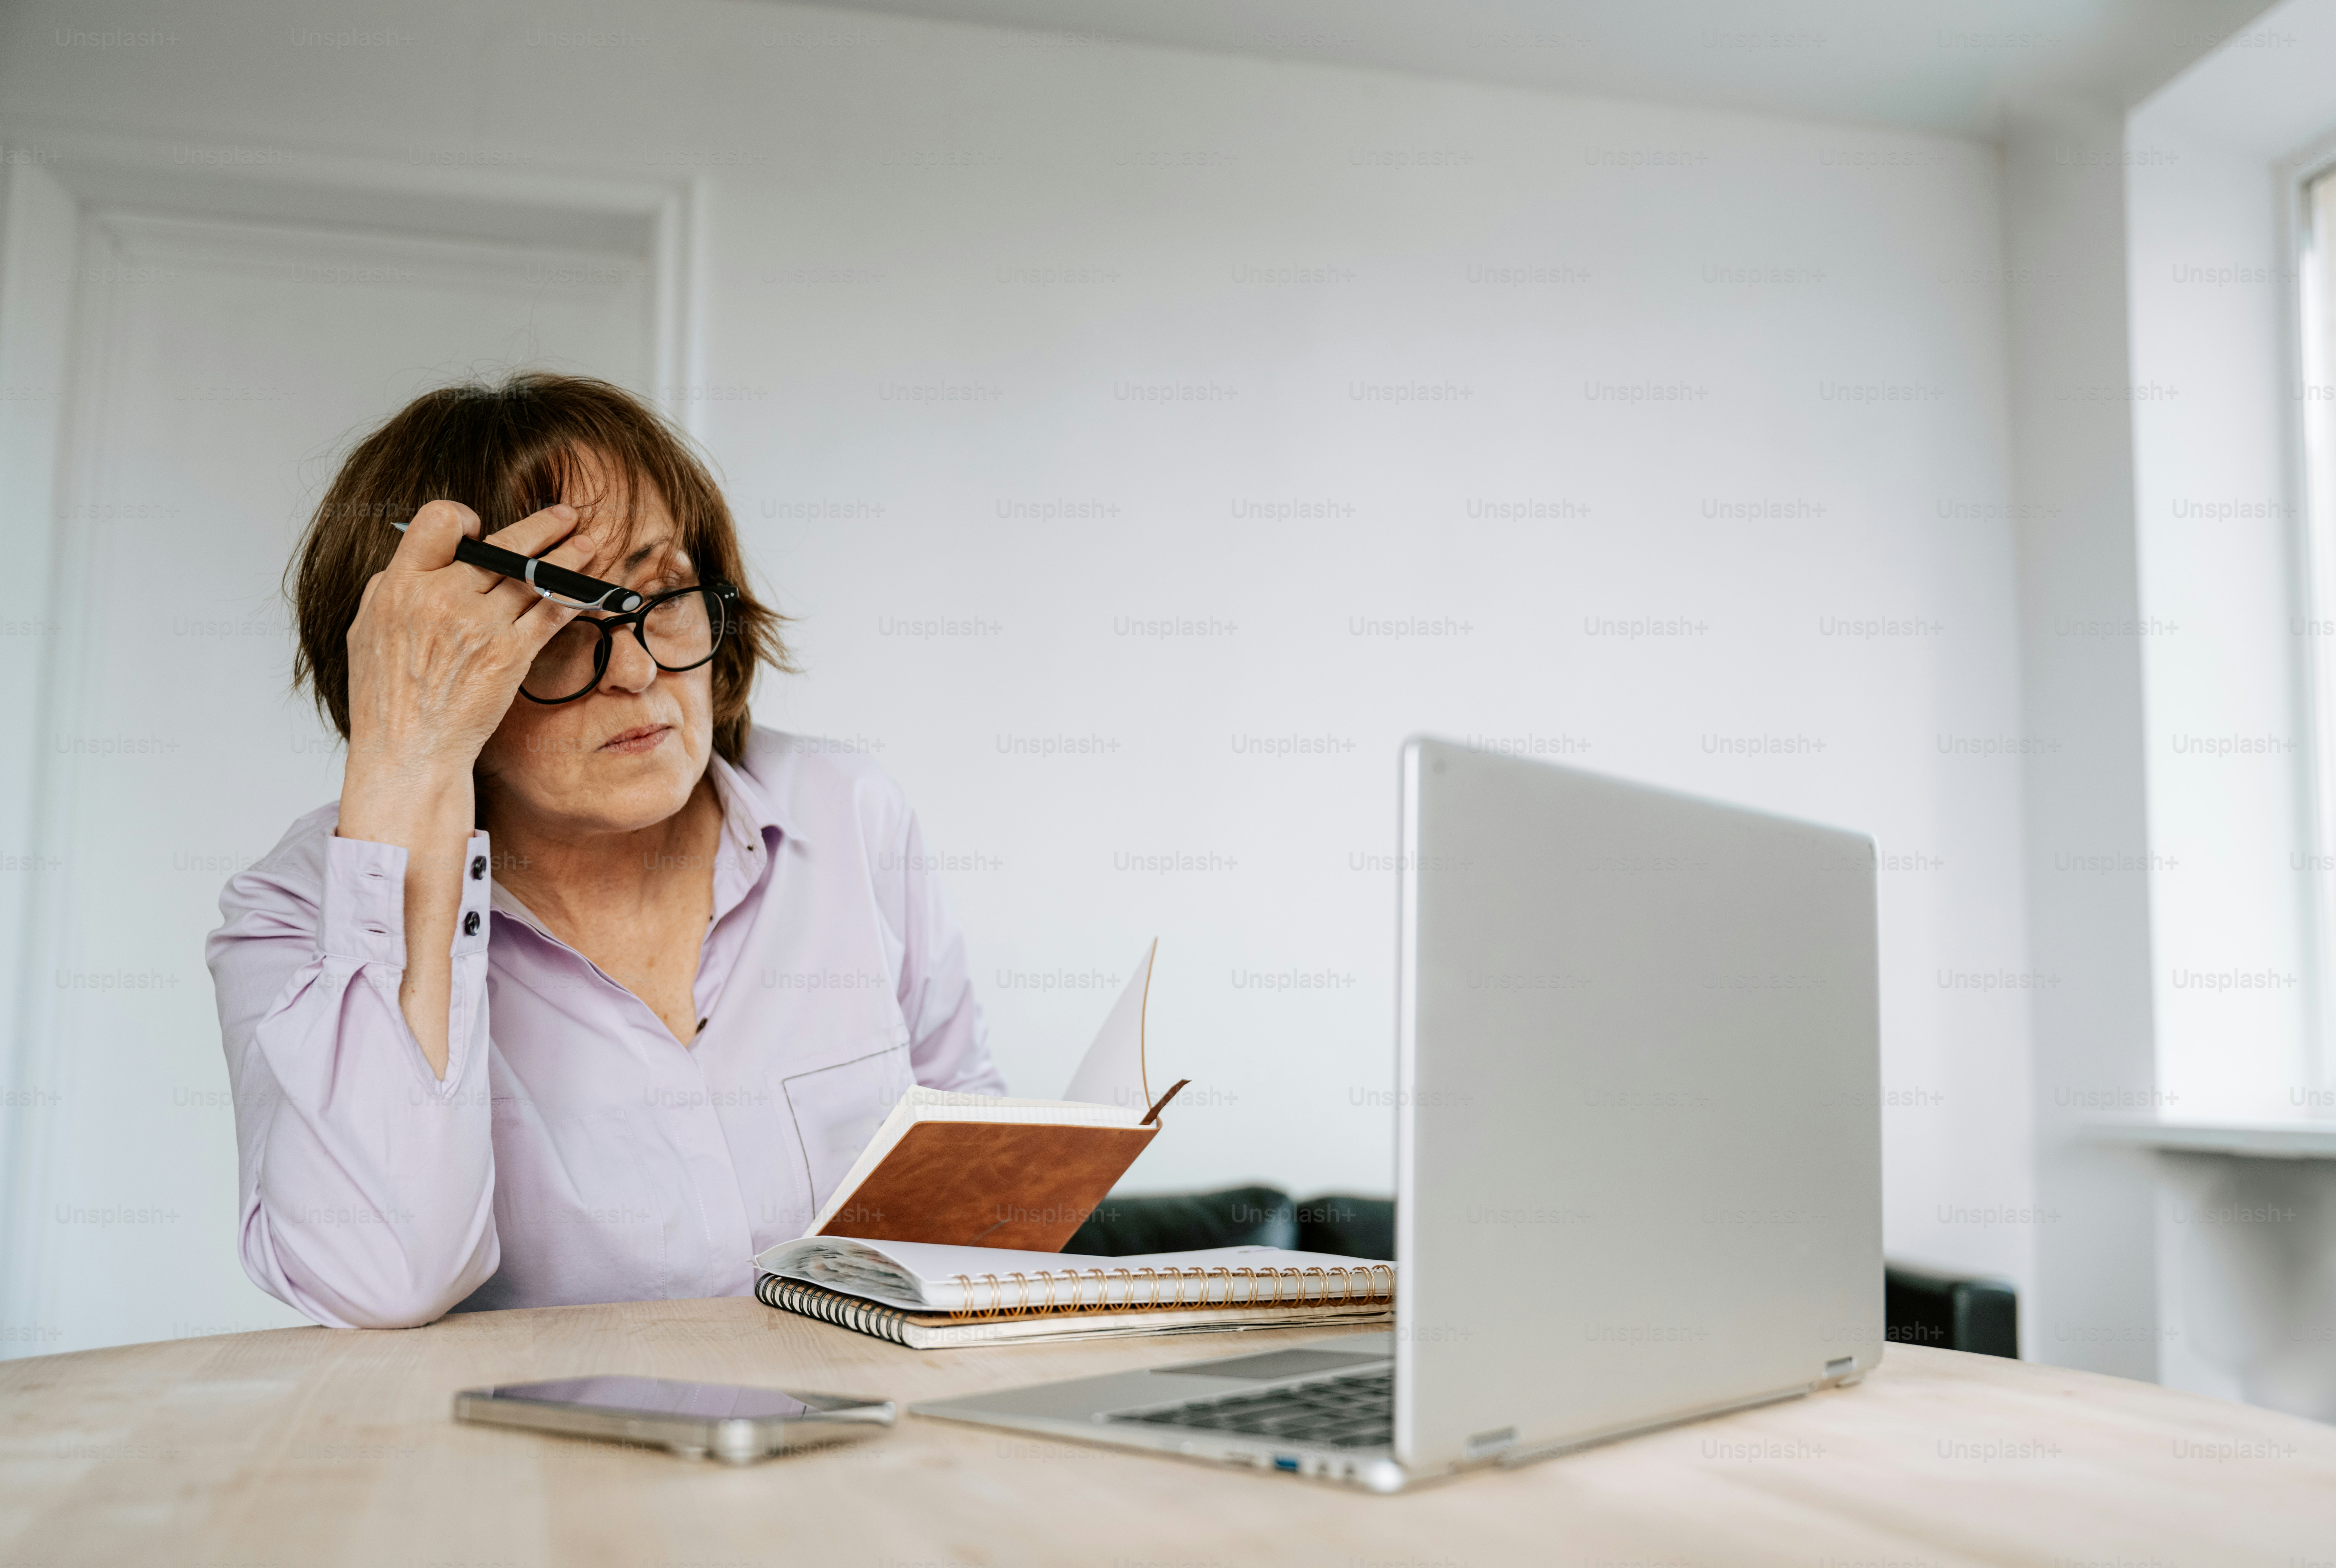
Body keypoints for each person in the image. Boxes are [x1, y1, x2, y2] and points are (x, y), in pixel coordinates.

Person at [205, 372, 1003, 1329]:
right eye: (556, 623)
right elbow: (380, 1278)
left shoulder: (849, 812)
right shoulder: (295, 913)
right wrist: (407, 761)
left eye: (661, 597)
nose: (634, 670)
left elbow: (980, 1181)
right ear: (430, 663)